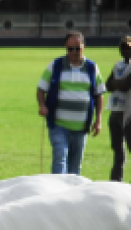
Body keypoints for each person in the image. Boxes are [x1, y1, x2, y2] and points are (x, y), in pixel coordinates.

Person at [37, 31, 105, 175]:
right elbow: (41, 88)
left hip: (82, 127)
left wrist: (98, 120)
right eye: (70, 49)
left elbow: (99, 94)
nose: (73, 52)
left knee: (75, 167)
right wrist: (42, 105)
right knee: (60, 158)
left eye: (77, 48)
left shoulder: (92, 68)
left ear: (84, 47)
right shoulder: (56, 65)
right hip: (59, 125)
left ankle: (73, 190)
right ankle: (57, 189)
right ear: (65, 47)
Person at [106, 35, 131, 182]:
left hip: (128, 113)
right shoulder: (117, 66)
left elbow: (126, 85)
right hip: (115, 110)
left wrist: (116, 83)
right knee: (117, 149)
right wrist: (117, 83)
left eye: (128, 48)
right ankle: (116, 181)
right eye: (123, 48)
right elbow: (107, 85)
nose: (125, 51)